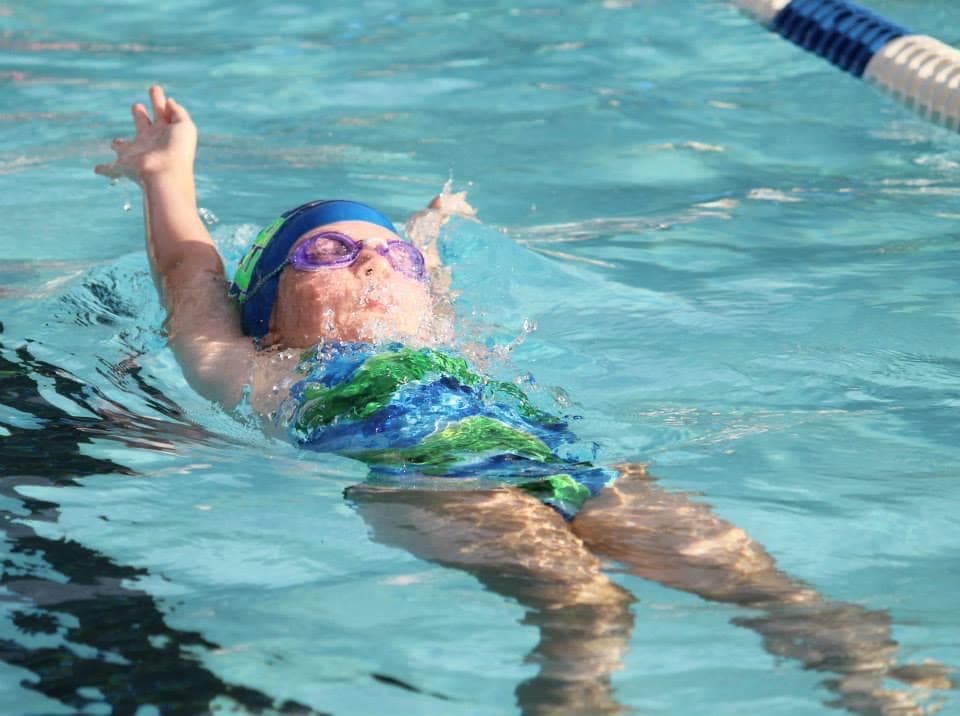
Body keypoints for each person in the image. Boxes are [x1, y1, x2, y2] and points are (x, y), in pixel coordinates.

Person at [96, 86, 950, 715]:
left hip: (572, 464)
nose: (370, 263)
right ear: (268, 306)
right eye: (329, 249)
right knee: (586, 604)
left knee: (764, 583)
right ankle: (574, 698)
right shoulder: (256, 370)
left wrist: (425, 231)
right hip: (430, 486)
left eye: (389, 255)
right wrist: (169, 178)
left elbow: (426, 280)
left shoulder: (436, 336)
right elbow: (191, 275)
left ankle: (874, 690)